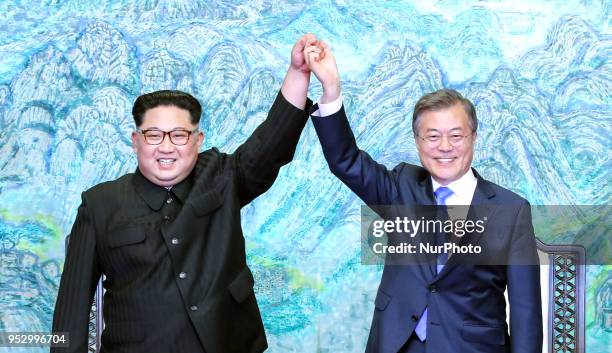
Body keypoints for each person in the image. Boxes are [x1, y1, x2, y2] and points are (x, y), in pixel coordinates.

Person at [51, 34, 321, 353]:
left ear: (197, 139)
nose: (166, 147)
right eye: (153, 135)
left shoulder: (221, 176)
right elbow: (71, 314)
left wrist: (299, 72)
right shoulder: (99, 205)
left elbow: (270, 146)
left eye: (179, 135)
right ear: (135, 141)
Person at [303, 42, 543, 353]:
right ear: (417, 141)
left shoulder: (511, 211)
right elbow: (345, 160)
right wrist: (331, 91)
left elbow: (525, 313)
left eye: (456, 135)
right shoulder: (401, 186)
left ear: (473, 137)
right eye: (432, 136)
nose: (445, 147)